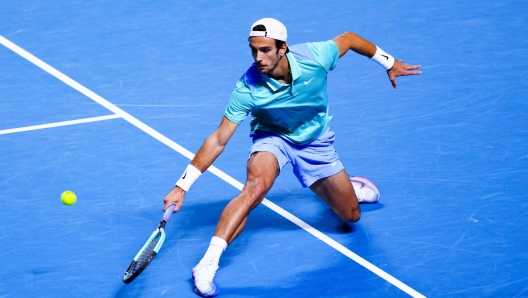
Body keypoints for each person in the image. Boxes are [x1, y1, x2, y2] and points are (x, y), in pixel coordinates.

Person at [163, 18, 421, 297]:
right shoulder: (247, 88)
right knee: (255, 188)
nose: (258, 58)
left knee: (350, 216)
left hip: (315, 142)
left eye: (265, 50)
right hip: (272, 137)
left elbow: (350, 39)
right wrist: (182, 185)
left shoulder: (315, 56)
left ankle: (349, 189)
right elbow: (218, 139)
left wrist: (388, 62)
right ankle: (207, 264)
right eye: (253, 50)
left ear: (283, 47)